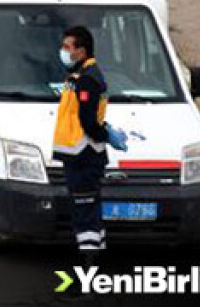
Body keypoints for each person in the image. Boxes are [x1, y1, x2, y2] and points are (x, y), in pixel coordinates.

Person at [53, 25, 129, 262]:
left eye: (68, 47)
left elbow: (88, 121)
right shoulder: (80, 77)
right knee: (89, 212)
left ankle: (87, 274)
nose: (63, 51)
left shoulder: (88, 80)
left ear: (81, 51)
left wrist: (105, 134)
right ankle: (94, 265)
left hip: (83, 157)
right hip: (80, 156)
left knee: (84, 214)